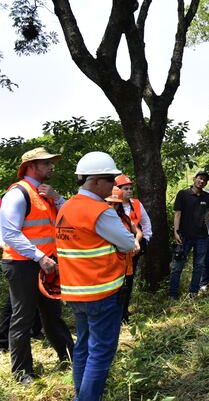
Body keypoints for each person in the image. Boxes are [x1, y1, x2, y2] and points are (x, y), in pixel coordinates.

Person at [55, 151, 136, 400]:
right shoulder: (99, 210)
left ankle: (81, 395)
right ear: (95, 181)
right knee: (100, 353)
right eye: (111, 180)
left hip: (75, 293)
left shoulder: (67, 207)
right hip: (101, 292)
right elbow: (128, 242)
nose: (114, 186)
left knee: (83, 349)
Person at [0, 147, 73, 384]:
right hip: (23, 264)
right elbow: (9, 233)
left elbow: (69, 219)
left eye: (52, 162)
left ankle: (70, 358)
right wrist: (39, 256)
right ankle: (22, 374)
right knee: (23, 318)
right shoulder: (18, 193)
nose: (52, 166)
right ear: (31, 166)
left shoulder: (44, 194)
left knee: (53, 315)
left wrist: (58, 198)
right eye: (47, 163)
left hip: (46, 264)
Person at [169, 171, 209, 299]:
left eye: (204, 180)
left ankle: (193, 293)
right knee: (177, 266)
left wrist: (207, 219)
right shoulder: (183, 194)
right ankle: (173, 294)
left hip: (202, 237)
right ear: (194, 179)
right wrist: (176, 232)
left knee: (199, 266)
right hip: (184, 236)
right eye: (200, 178)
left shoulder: (206, 196)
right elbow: (177, 213)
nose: (202, 181)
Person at [114, 174, 152, 322]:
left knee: (128, 281)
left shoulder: (136, 204)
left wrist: (145, 241)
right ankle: (115, 312)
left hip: (133, 249)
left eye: (130, 188)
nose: (129, 191)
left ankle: (124, 313)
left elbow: (145, 224)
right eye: (125, 188)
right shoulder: (111, 205)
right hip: (115, 251)